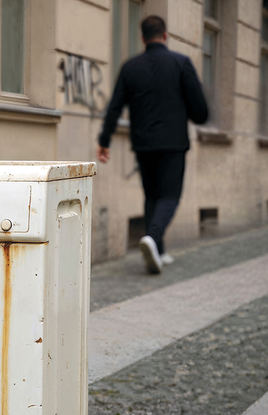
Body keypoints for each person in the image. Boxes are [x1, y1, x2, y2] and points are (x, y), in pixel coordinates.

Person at [97, 15, 208, 274]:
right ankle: (152, 238)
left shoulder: (130, 67)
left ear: (143, 38)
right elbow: (201, 112)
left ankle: (159, 250)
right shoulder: (181, 63)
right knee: (169, 196)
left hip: (144, 143)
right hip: (173, 142)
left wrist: (104, 141)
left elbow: (114, 107)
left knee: (151, 195)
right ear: (165, 36)